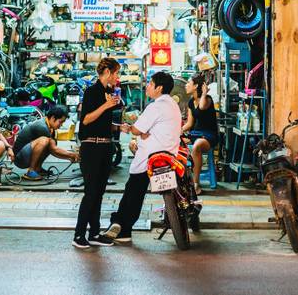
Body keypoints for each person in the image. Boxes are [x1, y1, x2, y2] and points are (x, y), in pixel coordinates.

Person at [104, 71, 181, 244]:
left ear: (159, 88)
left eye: (150, 84)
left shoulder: (156, 106)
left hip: (151, 157)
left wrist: (129, 129)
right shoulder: (172, 104)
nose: (147, 87)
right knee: (136, 190)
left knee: (133, 190)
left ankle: (122, 227)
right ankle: (122, 224)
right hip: (170, 155)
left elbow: (137, 130)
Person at [73, 58, 122, 249]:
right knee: (91, 192)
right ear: (107, 72)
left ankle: (94, 233)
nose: (118, 77)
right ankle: (78, 234)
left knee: (99, 192)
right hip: (91, 147)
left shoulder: (108, 93)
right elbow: (86, 120)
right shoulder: (92, 92)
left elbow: (101, 122)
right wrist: (106, 106)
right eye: (116, 73)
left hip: (105, 147)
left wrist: (120, 127)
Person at [12, 105, 78, 180]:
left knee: (50, 143)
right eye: (60, 122)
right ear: (53, 118)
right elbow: (54, 150)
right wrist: (71, 155)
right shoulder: (41, 126)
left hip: (26, 155)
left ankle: (38, 169)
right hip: (19, 159)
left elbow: (52, 150)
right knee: (45, 141)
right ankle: (31, 171)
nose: (61, 125)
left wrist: (69, 157)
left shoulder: (50, 127)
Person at [182, 72, 218, 194]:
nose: (185, 85)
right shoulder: (191, 102)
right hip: (195, 133)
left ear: (196, 86)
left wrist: (204, 93)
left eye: (188, 83)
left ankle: (195, 183)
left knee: (197, 145)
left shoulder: (207, 99)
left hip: (208, 135)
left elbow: (202, 107)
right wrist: (177, 131)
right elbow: (189, 124)